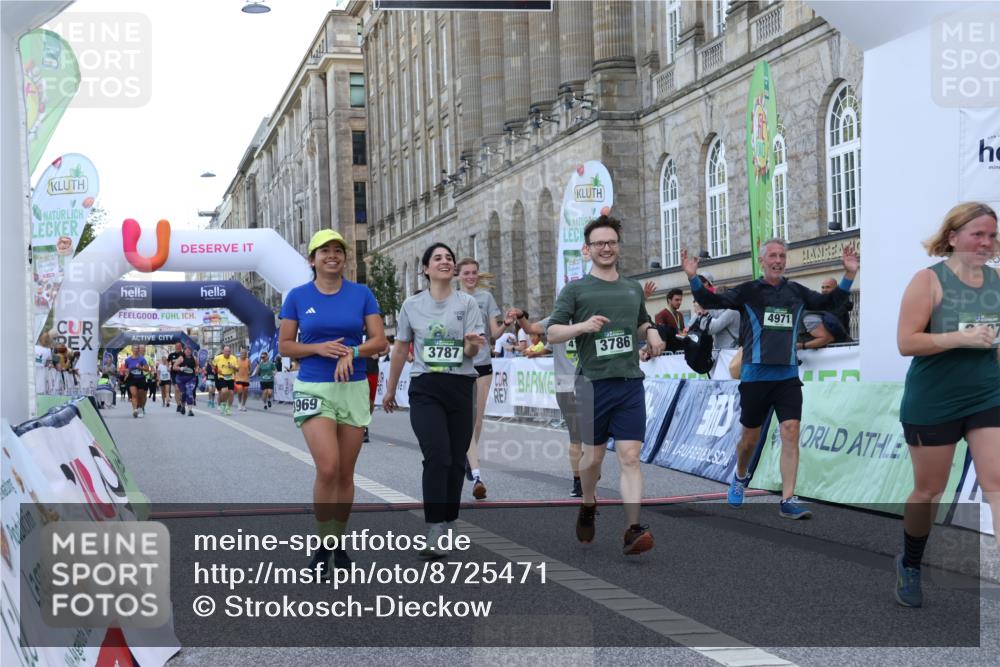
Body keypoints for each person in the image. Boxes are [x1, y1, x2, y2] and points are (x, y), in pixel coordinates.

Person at [681, 238, 859, 518]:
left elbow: (829, 302)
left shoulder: (796, 292)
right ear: (762, 261)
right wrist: (692, 277)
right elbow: (709, 300)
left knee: (791, 430)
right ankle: (740, 476)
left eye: (782, 256)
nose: (778, 261)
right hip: (755, 377)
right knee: (749, 440)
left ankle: (788, 499)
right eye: (773, 256)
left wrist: (849, 275)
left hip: (787, 377)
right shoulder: (749, 291)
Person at [894, 202, 1000, 607]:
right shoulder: (928, 281)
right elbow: (907, 342)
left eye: (991, 235)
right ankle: (911, 562)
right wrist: (958, 337)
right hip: (934, 400)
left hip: (987, 395)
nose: (986, 242)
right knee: (929, 491)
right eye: (978, 234)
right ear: (953, 237)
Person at [547, 215, 666, 556]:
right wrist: (582, 326)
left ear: (618, 247)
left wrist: (653, 331)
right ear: (588, 249)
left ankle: (632, 528)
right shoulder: (576, 290)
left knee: (630, 456)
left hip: (629, 383)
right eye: (599, 243)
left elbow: (641, 322)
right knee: (593, 459)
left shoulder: (630, 287)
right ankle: (587, 503)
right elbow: (553, 331)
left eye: (611, 242)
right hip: (591, 384)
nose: (606, 248)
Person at [279, 229, 386, 576]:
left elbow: (380, 341)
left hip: (352, 387)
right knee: (327, 468)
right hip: (313, 387)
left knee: (344, 473)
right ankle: (324, 543)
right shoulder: (297, 296)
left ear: (344, 258)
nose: (332, 255)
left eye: (338, 250)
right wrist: (318, 348)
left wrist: (352, 351)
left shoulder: (361, 294)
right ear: (312, 259)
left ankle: (337, 542)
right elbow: (285, 345)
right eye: (324, 251)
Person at [383, 242, 486, 559]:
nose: (445, 261)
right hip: (425, 387)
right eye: (438, 258)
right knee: (437, 455)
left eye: (449, 258)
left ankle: (450, 519)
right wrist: (390, 390)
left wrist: (470, 345)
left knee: (456, 460)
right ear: (426, 269)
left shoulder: (467, 303)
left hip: (460, 385)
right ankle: (434, 527)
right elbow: (401, 349)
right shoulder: (411, 306)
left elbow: (472, 353)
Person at [456, 257, 511, 500]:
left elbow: (494, 333)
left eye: (474, 273)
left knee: (478, 420)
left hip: (483, 363)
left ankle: (469, 459)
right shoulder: (452, 298)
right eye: (466, 273)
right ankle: (476, 471)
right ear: (458, 275)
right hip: (460, 364)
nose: (470, 277)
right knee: (466, 420)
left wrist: (506, 325)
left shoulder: (485, 298)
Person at [517, 310, 586, 497]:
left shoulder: (588, 315)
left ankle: (587, 472)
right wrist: (520, 317)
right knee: (577, 436)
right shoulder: (556, 319)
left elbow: (548, 346)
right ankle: (578, 480)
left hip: (588, 384)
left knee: (590, 435)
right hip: (567, 387)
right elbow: (532, 329)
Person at [691, 274, 740, 350]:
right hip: (724, 351)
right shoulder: (726, 310)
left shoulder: (731, 311)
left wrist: (701, 313)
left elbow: (712, 328)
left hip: (729, 352)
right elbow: (709, 316)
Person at [124, 346, 150, 418]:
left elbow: (147, 369)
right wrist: (126, 372)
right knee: (134, 394)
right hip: (131, 379)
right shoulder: (128, 360)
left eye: (137, 349)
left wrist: (140, 368)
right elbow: (125, 368)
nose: (136, 350)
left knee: (141, 395)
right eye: (134, 349)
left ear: (138, 350)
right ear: (132, 350)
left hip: (140, 378)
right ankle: (135, 410)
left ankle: (140, 408)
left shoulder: (142, 359)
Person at [173, 346, 199, 417]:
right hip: (181, 379)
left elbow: (197, 366)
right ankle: (183, 406)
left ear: (191, 351)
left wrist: (197, 369)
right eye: (186, 350)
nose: (188, 351)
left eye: (189, 350)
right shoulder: (181, 358)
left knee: (189, 392)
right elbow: (174, 367)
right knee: (183, 393)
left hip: (191, 378)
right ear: (184, 351)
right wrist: (181, 368)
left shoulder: (194, 358)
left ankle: (190, 410)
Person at [213, 346, 239, 416]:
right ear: (223, 352)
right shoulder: (218, 358)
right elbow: (213, 366)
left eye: (229, 351)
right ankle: (223, 403)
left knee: (231, 393)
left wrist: (233, 367)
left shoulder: (233, 358)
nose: (228, 353)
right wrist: (217, 370)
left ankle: (228, 408)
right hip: (222, 377)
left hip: (230, 377)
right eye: (226, 351)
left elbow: (237, 369)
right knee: (224, 391)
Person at [167, 342, 184, 412]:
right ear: (175, 347)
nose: (178, 347)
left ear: (181, 347)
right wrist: (168, 366)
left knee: (182, 390)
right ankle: (178, 404)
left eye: (179, 346)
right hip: (174, 374)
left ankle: (182, 402)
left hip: (182, 373)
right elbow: (168, 363)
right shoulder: (171, 355)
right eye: (176, 346)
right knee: (177, 389)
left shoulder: (184, 354)